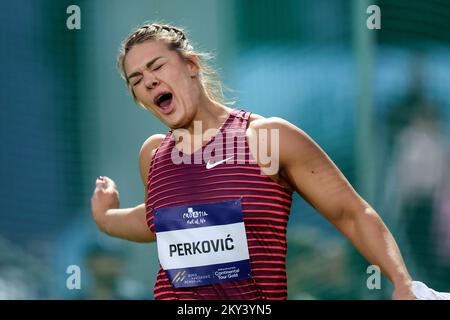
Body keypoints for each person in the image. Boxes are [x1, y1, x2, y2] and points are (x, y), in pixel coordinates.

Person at [90, 22, 419, 300]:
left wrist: (402, 282)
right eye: (136, 80)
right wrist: (105, 216)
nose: (148, 81)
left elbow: (351, 212)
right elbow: (155, 221)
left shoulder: (266, 137)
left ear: (191, 65)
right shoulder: (154, 155)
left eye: (157, 66)